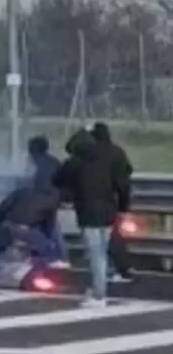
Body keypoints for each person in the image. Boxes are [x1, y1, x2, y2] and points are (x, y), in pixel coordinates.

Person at [53, 127, 129, 307]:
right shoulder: (106, 158)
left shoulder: (75, 162)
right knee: (101, 251)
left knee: (95, 253)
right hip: (109, 209)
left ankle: (99, 294)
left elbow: (57, 180)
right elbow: (123, 184)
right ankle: (98, 286)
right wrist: (123, 207)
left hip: (87, 211)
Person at [0, 182, 62, 287]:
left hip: (7, 225)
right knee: (49, 252)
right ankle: (28, 280)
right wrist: (48, 241)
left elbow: (3, 206)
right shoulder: (51, 200)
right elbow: (49, 225)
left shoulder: (22, 191)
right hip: (25, 230)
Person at [90, 122, 134, 283]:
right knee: (112, 235)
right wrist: (124, 205)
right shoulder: (117, 152)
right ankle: (120, 268)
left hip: (98, 200)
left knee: (106, 236)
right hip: (112, 199)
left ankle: (120, 269)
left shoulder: (92, 153)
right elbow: (127, 173)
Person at [26, 135, 68, 267]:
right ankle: (59, 257)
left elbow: (30, 182)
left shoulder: (35, 164)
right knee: (52, 228)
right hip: (53, 200)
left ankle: (44, 257)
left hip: (39, 201)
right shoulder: (54, 162)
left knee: (38, 230)